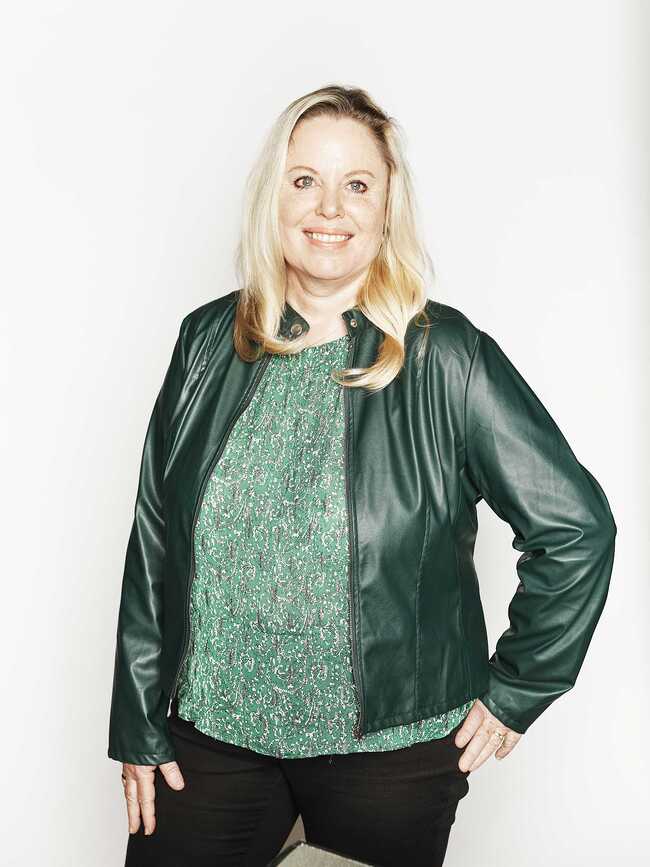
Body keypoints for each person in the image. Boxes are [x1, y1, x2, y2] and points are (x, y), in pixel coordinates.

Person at [107, 84, 617, 867]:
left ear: (386, 207)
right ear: (274, 197)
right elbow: (155, 535)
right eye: (304, 180)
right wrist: (138, 718)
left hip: (390, 756)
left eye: (356, 184)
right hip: (210, 736)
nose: (329, 208)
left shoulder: (446, 356)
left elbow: (576, 527)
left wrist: (519, 689)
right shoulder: (207, 340)